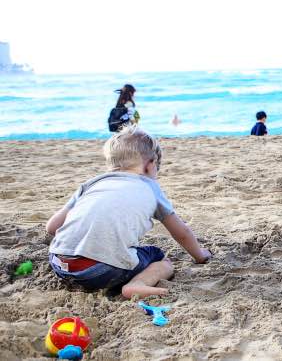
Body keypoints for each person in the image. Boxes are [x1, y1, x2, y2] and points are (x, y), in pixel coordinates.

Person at [45, 126, 211, 299]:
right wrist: (200, 255)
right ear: (151, 165)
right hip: (100, 272)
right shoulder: (150, 187)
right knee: (158, 257)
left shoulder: (91, 184)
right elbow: (181, 233)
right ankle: (137, 284)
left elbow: (52, 227)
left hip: (59, 263)